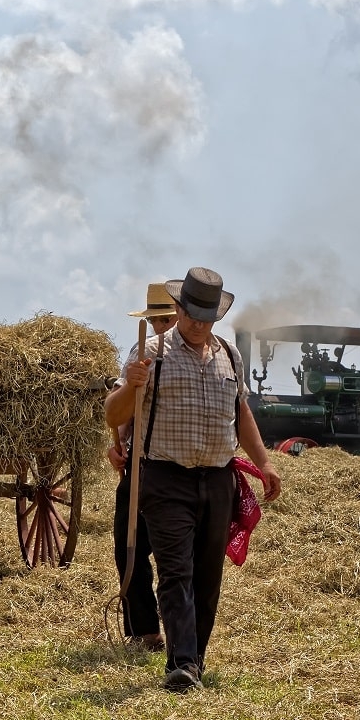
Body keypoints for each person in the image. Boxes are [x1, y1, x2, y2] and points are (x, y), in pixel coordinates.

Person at [105, 267, 282, 692]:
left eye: (207, 317)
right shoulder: (151, 352)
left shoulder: (229, 356)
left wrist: (265, 463)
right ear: (180, 309)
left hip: (218, 478)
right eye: (192, 315)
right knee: (175, 571)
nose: (198, 324)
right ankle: (180, 664)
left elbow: (241, 415)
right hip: (165, 478)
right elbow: (114, 414)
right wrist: (131, 386)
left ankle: (195, 659)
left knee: (207, 576)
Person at [105, 282, 179, 651]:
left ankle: (181, 629)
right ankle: (146, 630)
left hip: (180, 467)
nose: (161, 327)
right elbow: (121, 406)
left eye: (166, 319)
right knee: (128, 547)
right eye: (156, 320)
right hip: (139, 464)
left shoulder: (198, 355)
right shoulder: (141, 352)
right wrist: (117, 444)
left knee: (174, 555)